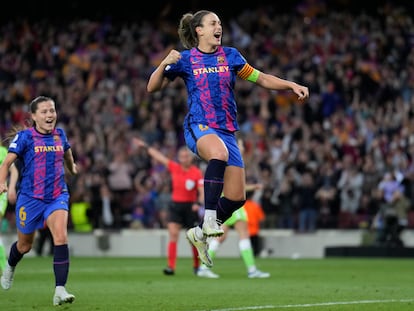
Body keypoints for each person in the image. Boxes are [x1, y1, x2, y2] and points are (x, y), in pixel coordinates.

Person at [146, 10, 309, 267]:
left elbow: (262, 78)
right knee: (218, 154)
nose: (218, 27)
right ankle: (209, 218)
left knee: (236, 197)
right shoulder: (186, 60)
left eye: (220, 23)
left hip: (227, 131)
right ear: (199, 30)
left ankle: (199, 234)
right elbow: (152, 87)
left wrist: (290, 85)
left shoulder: (231, 56)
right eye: (213, 23)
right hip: (199, 126)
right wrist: (163, 62)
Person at [0, 96, 78, 306]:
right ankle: (10, 266)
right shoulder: (25, 137)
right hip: (30, 198)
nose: (49, 115)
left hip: (57, 195)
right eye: (44, 112)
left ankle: (59, 290)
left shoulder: (60, 135)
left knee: (61, 237)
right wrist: (2, 183)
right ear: (34, 116)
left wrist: (72, 168)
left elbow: (67, 154)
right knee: (25, 246)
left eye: (52, 110)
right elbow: (6, 163)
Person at [133, 137, 204, 275]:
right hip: (176, 205)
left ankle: (196, 266)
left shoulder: (196, 172)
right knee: (173, 234)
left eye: (186, 156)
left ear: (190, 158)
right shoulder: (175, 167)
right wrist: (145, 146)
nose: (184, 159)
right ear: (179, 158)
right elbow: (159, 157)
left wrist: (199, 204)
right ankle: (171, 267)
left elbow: (201, 191)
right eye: (182, 157)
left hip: (191, 206)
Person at [197, 183, 270, 278]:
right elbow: (235, 184)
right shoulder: (230, 168)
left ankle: (203, 267)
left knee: (220, 237)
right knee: (244, 234)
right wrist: (252, 187)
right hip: (233, 201)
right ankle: (252, 270)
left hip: (223, 202)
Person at [0, 142, 8, 272]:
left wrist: (11, 187)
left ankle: (4, 266)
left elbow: (14, 170)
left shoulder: (2, 151)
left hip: (1, 194)